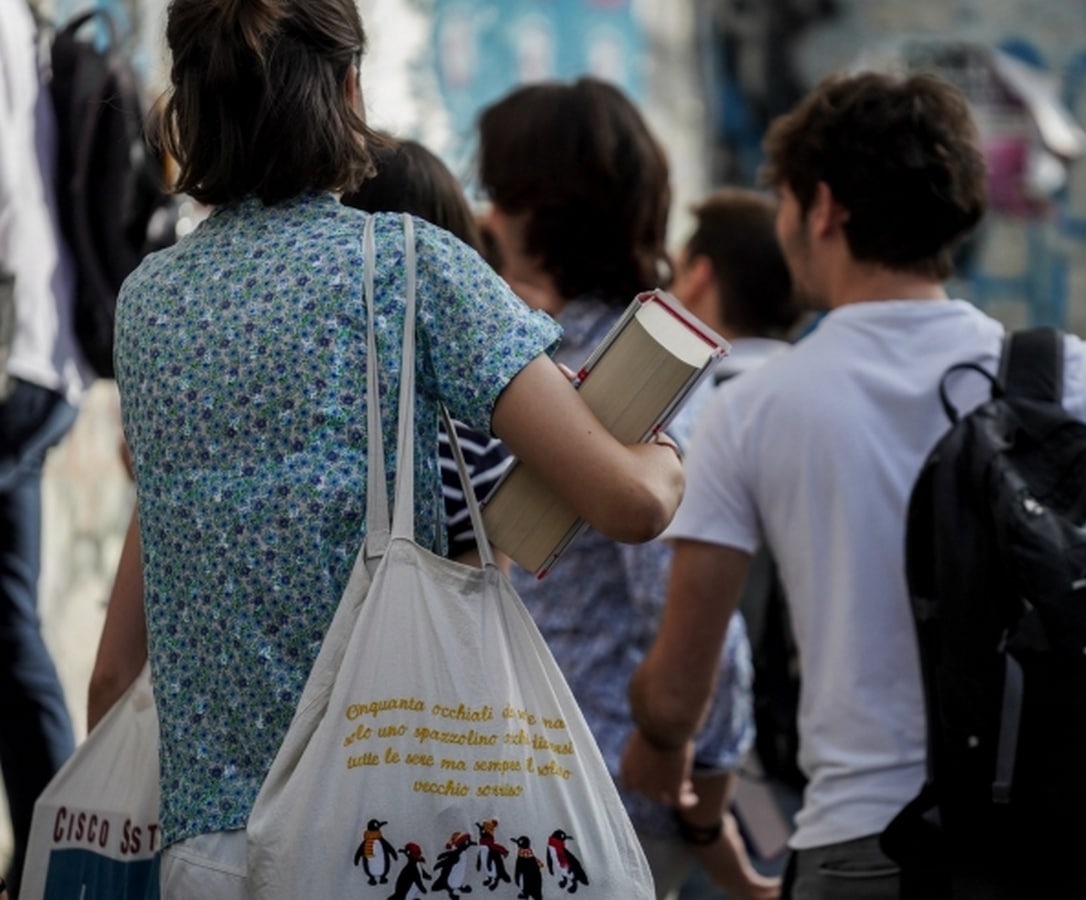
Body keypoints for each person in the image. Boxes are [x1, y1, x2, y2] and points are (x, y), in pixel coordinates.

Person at [107, 3, 684, 896]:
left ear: (189, 104)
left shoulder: (146, 304)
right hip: (379, 840)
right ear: (346, 90)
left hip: (203, 849)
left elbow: (121, 657)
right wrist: (664, 454)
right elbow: (630, 505)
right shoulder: (407, 266)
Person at [620, 70, 1086, 900]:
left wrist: (656, 737)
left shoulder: (754, 409)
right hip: (1061, 851)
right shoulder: (1066, 374)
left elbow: (677, 694)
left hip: (867, 848)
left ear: (824, 208)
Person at [88, 135, 516, 727]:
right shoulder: (467, 448)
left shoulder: (207, 445)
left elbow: (111, 675)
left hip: (220, 794)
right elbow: (477, 643)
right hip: (391, 781)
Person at [477, 77, 763, 900]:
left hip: (599, 794)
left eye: (500, 193)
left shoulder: (642, 372)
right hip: (545, 782)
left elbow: (692, 595)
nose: (488, 215)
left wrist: (690, 754)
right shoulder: (544, 347)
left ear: (544, 208)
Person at [662, 188, 800, 900]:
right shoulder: (821, 396)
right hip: (836, 763)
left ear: (700, 277)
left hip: (716, 770)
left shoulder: (701, 411)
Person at [0, 0, 91, 893]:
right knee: (9, 624)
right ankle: (50, 854)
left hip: (12, 363)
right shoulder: (23, 21)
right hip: (41, 363)